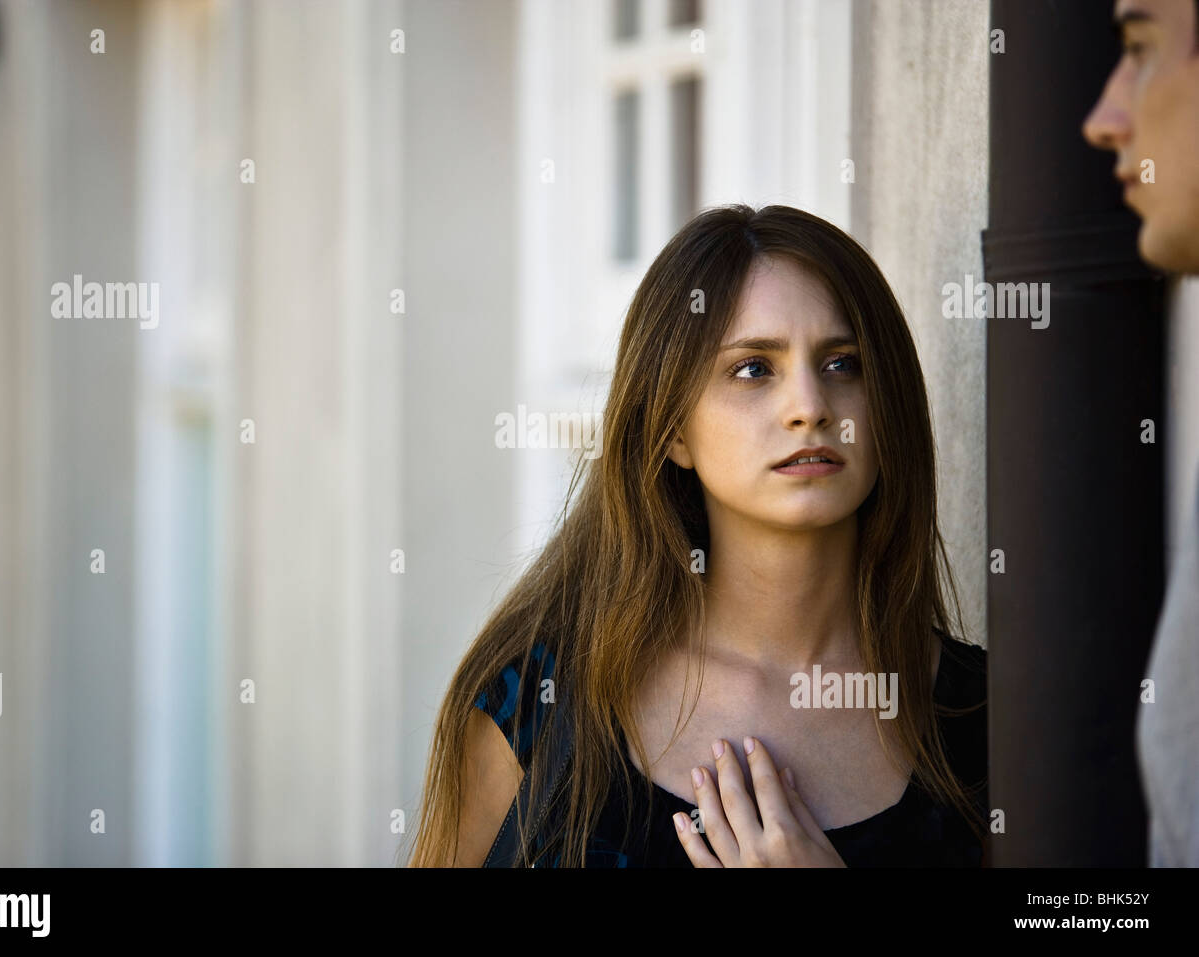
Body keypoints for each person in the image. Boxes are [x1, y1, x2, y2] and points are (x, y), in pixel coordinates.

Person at [406, 204, 987, 868]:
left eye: (844, 363)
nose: (809, 406)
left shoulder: (985, 716)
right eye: (753, 369)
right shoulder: (538, 709)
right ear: (674, 429)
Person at [1083, 0, 1199, 867]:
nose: (1101, 119)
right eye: (751, 368)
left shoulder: (961, 703)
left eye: (1138, 49)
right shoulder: (571, 700)